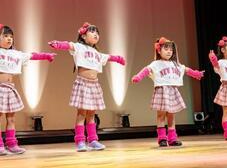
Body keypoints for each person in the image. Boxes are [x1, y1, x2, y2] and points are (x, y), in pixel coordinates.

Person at [48, 22, 125, 152]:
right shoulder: (79, 47)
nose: (96, 34)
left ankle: (93, 140)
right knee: (81, 113)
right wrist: (58, 44)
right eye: (92, 32)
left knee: (92, 114)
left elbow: (108, 57)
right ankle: (80, 141)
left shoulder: (97, 52)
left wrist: (118, 59)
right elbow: (68, 45)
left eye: (97, 32)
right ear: (83, 36)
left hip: (94, 84)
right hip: (83, 83)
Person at [132, 37, 204, 147]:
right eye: (166, 49)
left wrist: (196, 74)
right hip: (161, 90)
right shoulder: (156, 63)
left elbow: (186, 69)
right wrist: (138, 76)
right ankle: (162, 138)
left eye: (171, 49)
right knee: (161, 115)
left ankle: (172, 138)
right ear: (159, 50)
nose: (169, 51)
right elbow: (147, 70)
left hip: (172, 90)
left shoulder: (175, 64)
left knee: (171, 115)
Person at [0, 24, 56, 155]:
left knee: (11, 118)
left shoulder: (16, 54)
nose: (9, 39)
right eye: (5, 36)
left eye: (11, 37)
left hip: (9, 89)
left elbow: (32, 55)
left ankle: (12, 143)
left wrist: (46, 56)